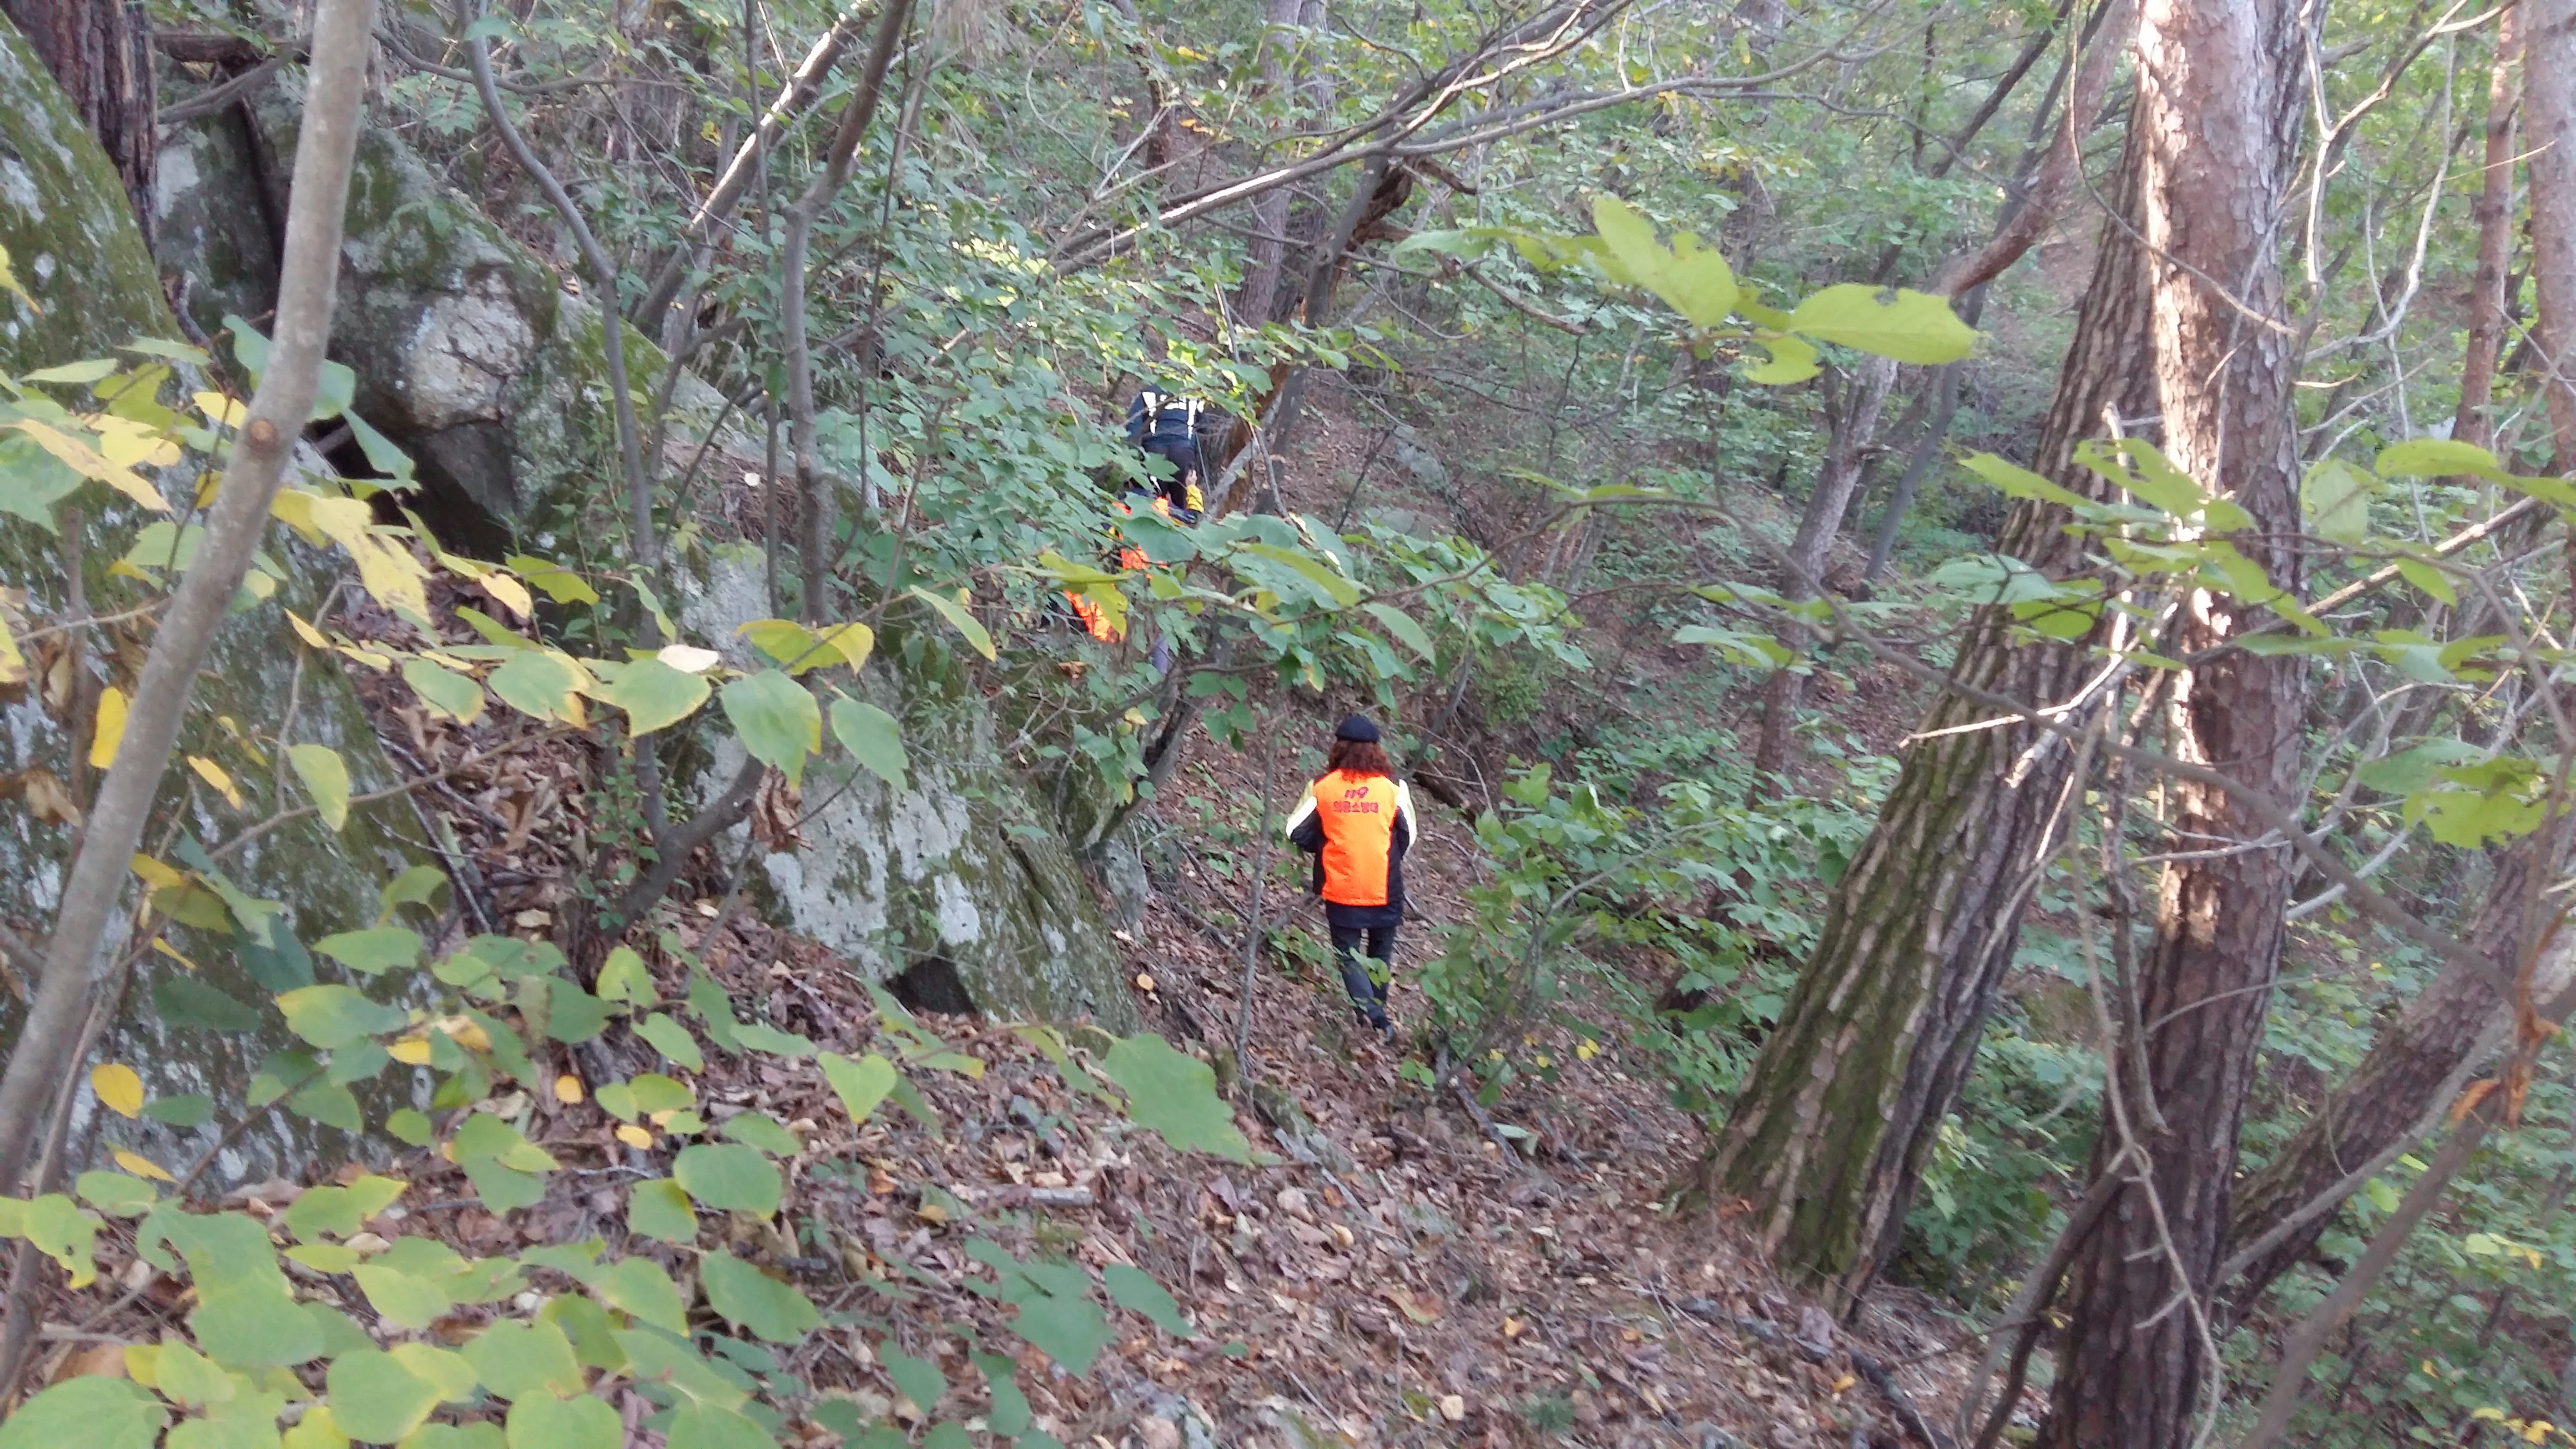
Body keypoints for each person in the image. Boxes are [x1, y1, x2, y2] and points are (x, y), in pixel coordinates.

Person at [1283, 715, 1414, 1039]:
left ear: (1338, 748)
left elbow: (1294, 829)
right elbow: (1409, 835)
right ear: (1377, 751)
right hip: (1385, 885)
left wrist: (1326, 844)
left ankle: (1372, 1018)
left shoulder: (1321, 787)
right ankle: (1377, 1018)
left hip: (1340, 884)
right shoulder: (1394, 789)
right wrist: (1387, 857)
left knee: (1348, 954)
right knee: (1380, 953)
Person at [1123, 383, 1208, 521]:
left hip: (1154, 453)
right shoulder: (1193, 396)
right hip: (1183, 453)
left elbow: (1133, 426)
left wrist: (1133, 457)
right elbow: (1204, 429)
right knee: (1181, 511)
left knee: (1150, 503)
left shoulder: (1148, 393)